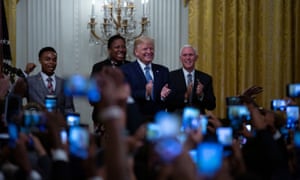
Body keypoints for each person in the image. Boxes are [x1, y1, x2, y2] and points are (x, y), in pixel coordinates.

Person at [90, 35, 143, 135]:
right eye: (117, 47)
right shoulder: (99, 67)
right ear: (109, 50)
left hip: (129, 118)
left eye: (123, 47)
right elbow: (92, 97)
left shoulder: (132, 67)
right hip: (103, 118)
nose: (121, 50)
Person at [121, 36, 171, 122]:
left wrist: (163, 96)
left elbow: (172, 95)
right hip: (136, 120)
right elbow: (125, 94)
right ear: (136, 52)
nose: (149, 52)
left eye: (151, 49)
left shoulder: (163, 70)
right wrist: (145, 93)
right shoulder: (126, 70)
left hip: (158, 120)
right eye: (145, 49)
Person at [13, 46, 74, 114]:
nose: (51, 62)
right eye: (47, 59)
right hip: (36, 123)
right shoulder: (30, 81)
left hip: (58, 123)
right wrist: (25, 73)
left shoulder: (64, 83)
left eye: (54, 60)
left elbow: (69, 108)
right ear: (40, 60)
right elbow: (14, 96)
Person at [167, 44, 216, 114]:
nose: (188, 58)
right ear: (180, 58)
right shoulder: (171, 76)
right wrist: (185, 96)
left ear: (196, 57)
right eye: (185, 55)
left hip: (198, 120)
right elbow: (168, 103)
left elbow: (211, 106)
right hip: (177, 119)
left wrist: (201, 95)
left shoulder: (206, 78)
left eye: (190, 55)